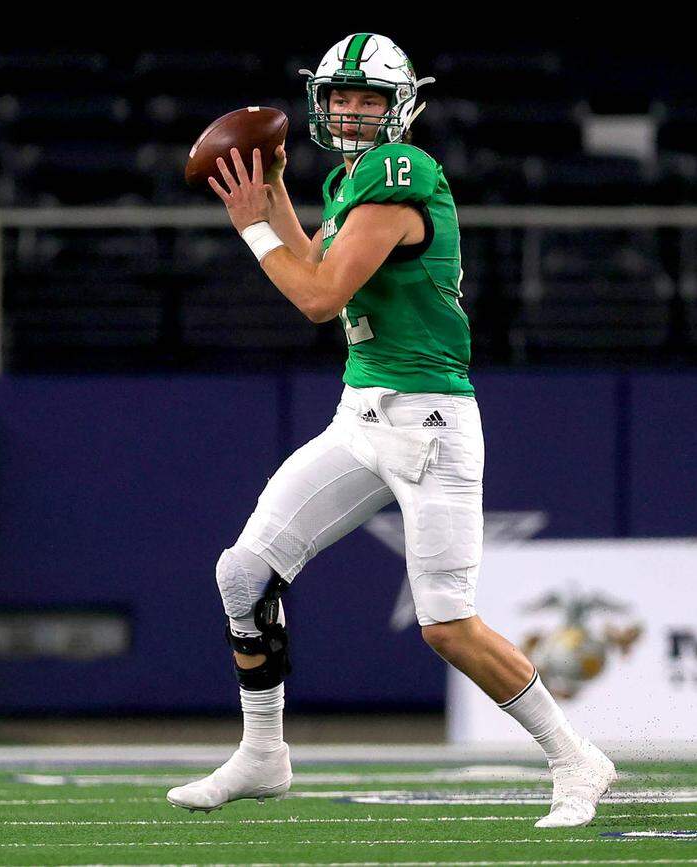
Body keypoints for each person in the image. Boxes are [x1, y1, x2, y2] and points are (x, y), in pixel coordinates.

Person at [167, 33, 616, 828]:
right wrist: (273, 194)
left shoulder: (401, 172)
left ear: (400, 106)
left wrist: (251, 227)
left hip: (431, 426)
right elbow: (315, 261)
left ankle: (575, 756)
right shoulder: (350, 181)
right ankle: (263, 753)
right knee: (244, 573)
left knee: (446, 625)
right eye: (339, 96)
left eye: (367, 98)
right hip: (362, 415)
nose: (349, 110)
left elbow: (317, 298)